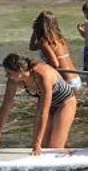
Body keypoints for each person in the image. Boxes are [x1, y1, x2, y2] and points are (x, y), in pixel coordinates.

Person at [0, 54, 76, 154]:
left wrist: (37, 143)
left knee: (54, 148)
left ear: (20, 71)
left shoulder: (42, 76)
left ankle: (67, 153)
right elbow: (5, 107)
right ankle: (63, 143)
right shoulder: (13, 82)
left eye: (9, 73)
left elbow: (44, 112)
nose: (7, 76)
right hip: (45, 102)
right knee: (43, 146)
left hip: (65, 102)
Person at [28, 11, 82, 139]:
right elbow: (31, 47)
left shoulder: (44, 41)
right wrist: (35, 31)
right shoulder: (60, 38)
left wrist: (43, 70)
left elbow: (55, 63)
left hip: (66, 81)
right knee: (64, 120)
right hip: (76, 79)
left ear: (40, 26)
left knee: (52, 115)